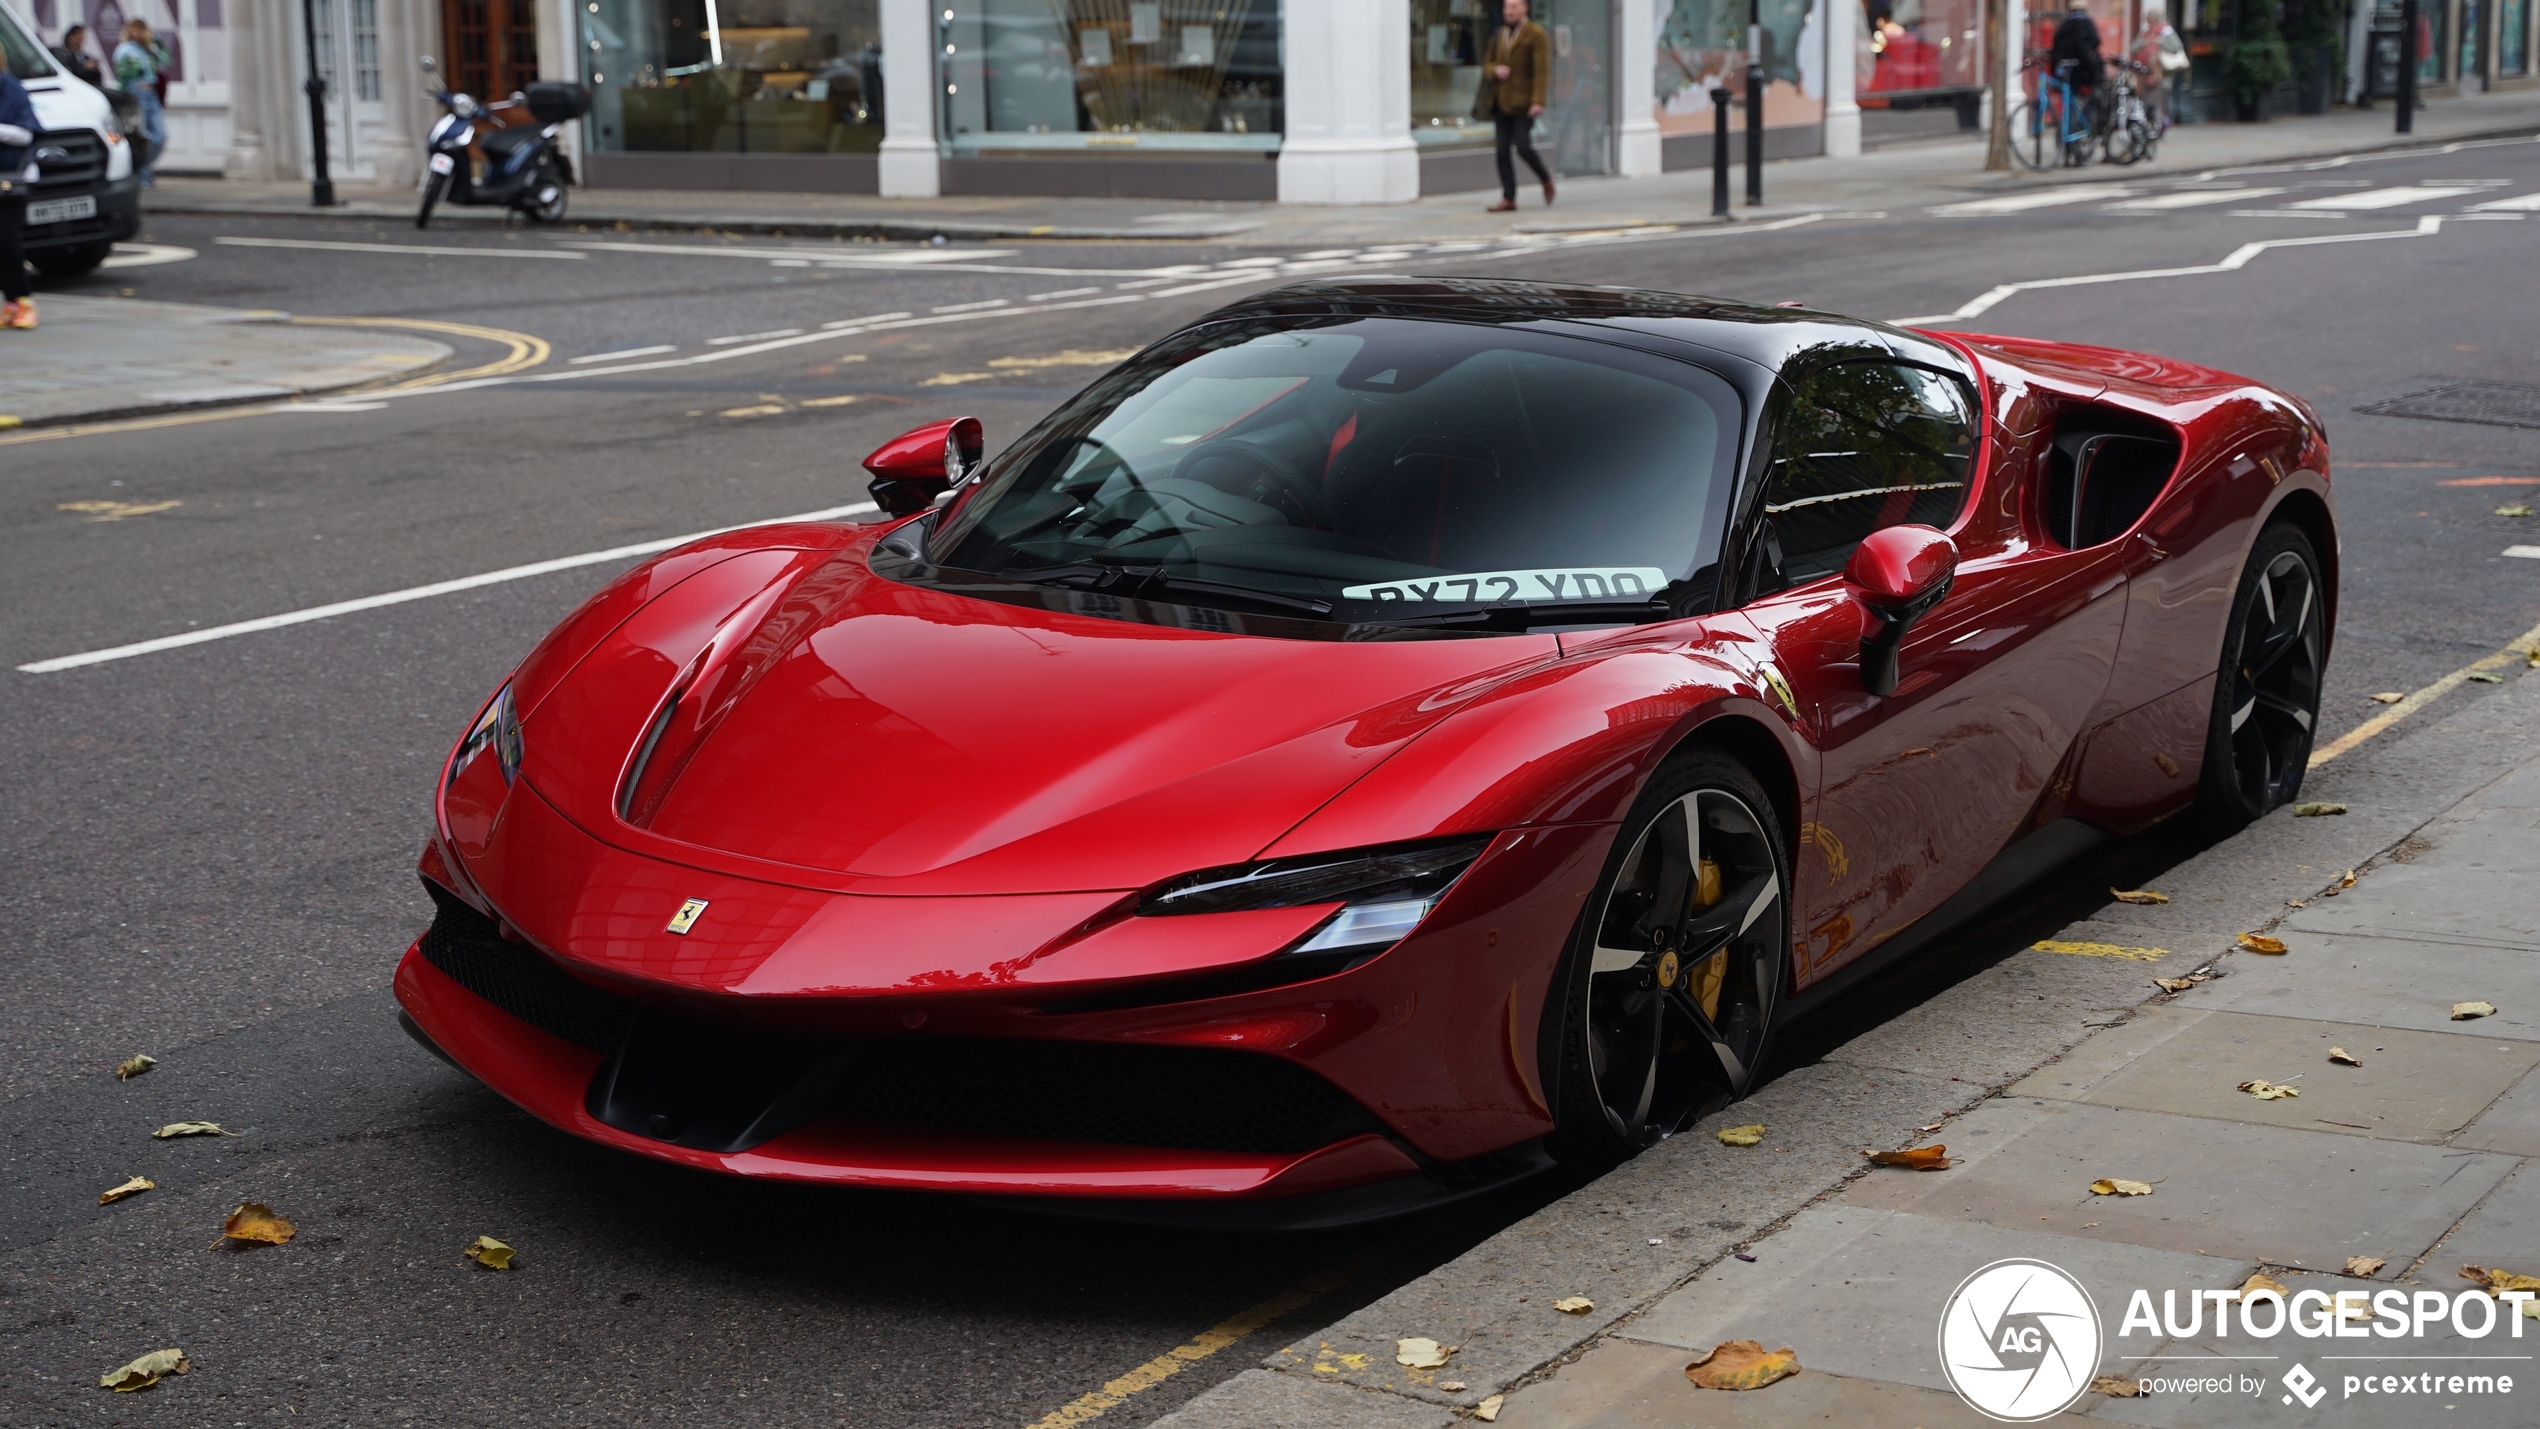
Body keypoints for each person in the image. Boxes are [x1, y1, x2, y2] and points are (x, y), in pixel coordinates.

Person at [1481, 0, 1552, 213]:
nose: (1508, 11)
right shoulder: (1500, 34)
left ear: (1525, 9)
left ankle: (1545, 178)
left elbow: (1541, 70)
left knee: (1523, 147)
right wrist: (1495, 70)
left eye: (1513, 7)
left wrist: (1538, 101)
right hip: (1501, 100)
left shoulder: (1535, 34)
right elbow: (1487, 63)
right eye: (1506, 7)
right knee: (1502, 150)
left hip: (1524, 102)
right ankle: (1508, 197)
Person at [112, 18, 169, 187]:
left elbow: (167, 59)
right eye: (132, 30)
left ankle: (142, 167)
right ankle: (144, 174)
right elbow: (122, 73)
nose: (135, 33)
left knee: (160, 136)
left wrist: (156, 42)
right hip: (135, 92)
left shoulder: (149, 49)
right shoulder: (124, 50)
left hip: (151, 94)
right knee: (144, 135)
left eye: (139, 30)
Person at [1, 64, 36, 329]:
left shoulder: (11, 89)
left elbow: (26, 134)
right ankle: (11, 302)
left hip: (10, 181)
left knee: (7, 239)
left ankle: (23, 301)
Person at [2133, 5, 2189, 132]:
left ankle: (2158, 126)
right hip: (2144, 74)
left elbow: (2176, 46)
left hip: (2161, 75)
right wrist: (2145, 42)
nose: (2146, 19)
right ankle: (2152, 126)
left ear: (2153, 19)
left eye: (2147, 17)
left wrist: (2159, 42)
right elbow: (2134, 48)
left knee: (2157, 102)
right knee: (2146, 101)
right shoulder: (2145, 33)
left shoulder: (2166, 31)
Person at [50, 23, 104, 88]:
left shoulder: (86, 57)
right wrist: (84, 68)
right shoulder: (63, 54)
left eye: (82, 34)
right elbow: (70, 72)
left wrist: (95, 70)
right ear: (70, 37)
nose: (81, 37)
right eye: (78, 34)